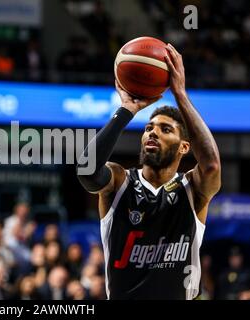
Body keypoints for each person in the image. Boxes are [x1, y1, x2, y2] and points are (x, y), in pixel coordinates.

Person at [77, 44, 221, 300]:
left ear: (184, 147)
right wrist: (126, 111)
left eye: (166, 130)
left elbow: (210, 165)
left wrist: (181, 96)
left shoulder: (192, 190)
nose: (152, 132)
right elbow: (87, 170)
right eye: (148, 128)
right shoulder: (121, 182)